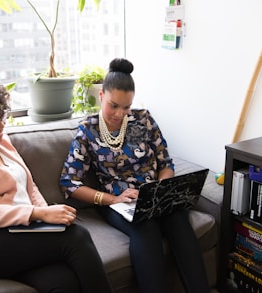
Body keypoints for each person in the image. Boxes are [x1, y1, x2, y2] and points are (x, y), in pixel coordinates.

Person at [61, 58, 210, 293]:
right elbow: (69, 183)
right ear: (101, 95)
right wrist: (113, 199)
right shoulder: (87, 130)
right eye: (114, 105)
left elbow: (165, 162)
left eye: (126, 107)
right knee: (146, 226)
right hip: (118, 202)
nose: (120, 113)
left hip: (153, 195)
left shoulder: (143, 120)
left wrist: (162, 188)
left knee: (178, 218)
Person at [0, 77, 112, 293]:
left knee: (62, 283)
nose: (1, 124)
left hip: (20, 232)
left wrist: (47, 216)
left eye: (2, 116)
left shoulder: (0, 141)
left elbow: (30, 185)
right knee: (77, 236)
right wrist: (37, 214)